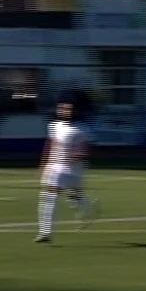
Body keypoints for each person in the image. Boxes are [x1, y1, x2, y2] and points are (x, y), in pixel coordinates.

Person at [35, 100, 98, 244]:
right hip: (55, 167)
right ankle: (45, 233)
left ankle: (88, 208)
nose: (64, 111)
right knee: (49, 196)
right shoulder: (54, 125)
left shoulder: (82, 128)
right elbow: (50, 144)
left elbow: (89, 149)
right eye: (61, 108)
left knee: (73, 195)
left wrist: (76, 156)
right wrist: (43, 163)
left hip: (74, 168)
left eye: (68, 109)